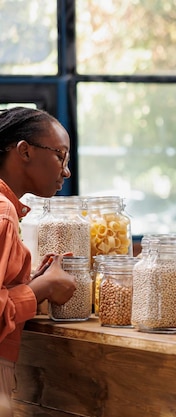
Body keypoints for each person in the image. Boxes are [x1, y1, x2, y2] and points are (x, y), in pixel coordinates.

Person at [0, 107, 77, 408]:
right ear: (24, 151)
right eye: (60, 155)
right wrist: (42, 289)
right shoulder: (4, 214)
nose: (66, 171)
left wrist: (28, 283)